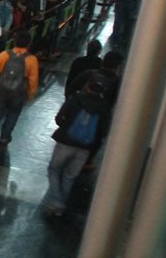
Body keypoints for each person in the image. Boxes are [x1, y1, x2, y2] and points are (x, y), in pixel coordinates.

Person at [42, 73, 113, 216]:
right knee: (69, 177)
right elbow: (103, 131)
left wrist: (66, 128)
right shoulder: (105, 108)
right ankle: (59, 208)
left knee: (54, 170)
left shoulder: (75, 98)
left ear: (88, 84)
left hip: (66, 142)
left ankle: (56, 202)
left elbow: (58, 118)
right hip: (85, 148)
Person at [0, 30, 39, 149]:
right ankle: (4, 137)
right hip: (18, 93)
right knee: (13, 115)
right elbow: (33, 80)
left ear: (15, 41)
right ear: (29, 43)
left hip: (1, 89)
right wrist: (30, 94)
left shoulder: (4, 55)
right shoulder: (31, 60)